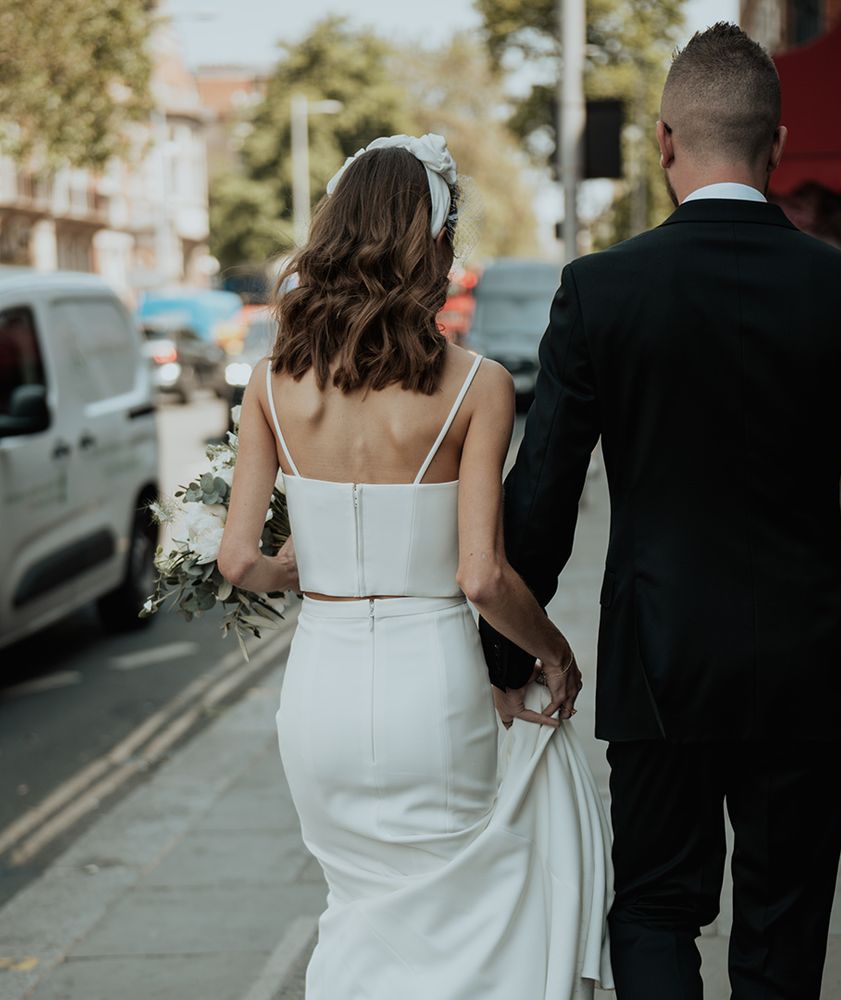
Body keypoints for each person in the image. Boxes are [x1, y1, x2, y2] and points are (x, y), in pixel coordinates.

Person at [480, 23, 841, 1000]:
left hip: (657, 662)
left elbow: (544, 490)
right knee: (782, 932)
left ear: (662, 141)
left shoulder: (599, 291)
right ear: (779, 144)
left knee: (651, 908)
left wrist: (511, 659)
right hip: (812, 668)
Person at [217, 133, 613, 999]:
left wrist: (304, 570)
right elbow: (483, 577)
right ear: (430, 241)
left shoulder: (269, 382)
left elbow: (240, 559)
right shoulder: (477, 386)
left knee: (357, 912)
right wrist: (553, 653)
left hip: (318, 694)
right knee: (462, 920)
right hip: (430, 691)